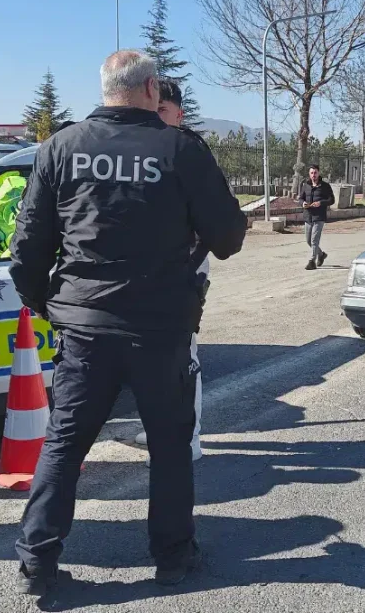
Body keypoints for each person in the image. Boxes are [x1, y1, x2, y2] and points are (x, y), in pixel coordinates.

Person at [9, 50, 247, 596]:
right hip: (160, 327)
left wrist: (54, 308)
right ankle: (172, 555)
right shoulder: (180, 149)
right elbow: (230, 237)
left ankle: (36, 564)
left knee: (64, 447)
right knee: (169, 445)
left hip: (85, 328)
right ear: (151, 89)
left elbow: (25, 251)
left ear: (105, 89)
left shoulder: (61, 147)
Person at [133, 78, 207, 464]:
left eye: (163, 110)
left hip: (184, 263)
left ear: (179, 113)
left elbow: (216, 219)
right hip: (148, 264)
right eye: (152, 109)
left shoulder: (191, 151)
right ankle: (160, 424)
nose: (157, 117)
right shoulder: (141, 149)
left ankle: (188, 437)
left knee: (182, 353)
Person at [297, 164, 334, 270]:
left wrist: (320, 203)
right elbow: (300, 198)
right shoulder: (306, 185)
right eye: (312, 173)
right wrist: (302, 203)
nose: (313, 175)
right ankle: (321, 254)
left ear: (319, 173)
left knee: (314, 240)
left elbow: (331, 200)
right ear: (309, 174)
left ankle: (312, 261)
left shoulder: (325, 186)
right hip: (308, 216)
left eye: (315, 172)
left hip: (319, 216)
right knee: (308, 241)